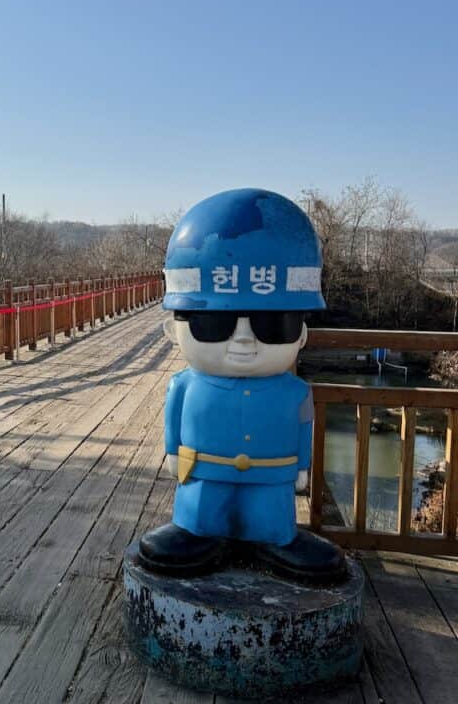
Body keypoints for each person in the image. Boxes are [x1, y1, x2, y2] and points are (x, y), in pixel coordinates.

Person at [139, 188, 346, 584]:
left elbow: (304, 429)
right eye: (213, 325)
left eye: (273, 325)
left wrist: (301, 466)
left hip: (270, 475)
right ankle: (195, 532)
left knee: (270, 514)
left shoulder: (295, 393)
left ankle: (274, 538)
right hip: (204, 472)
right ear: (174, 331)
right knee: (201, 511)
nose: (244, 340)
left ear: (300, 334)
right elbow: (173, 423)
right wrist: (171, 453)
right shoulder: (184, 385)